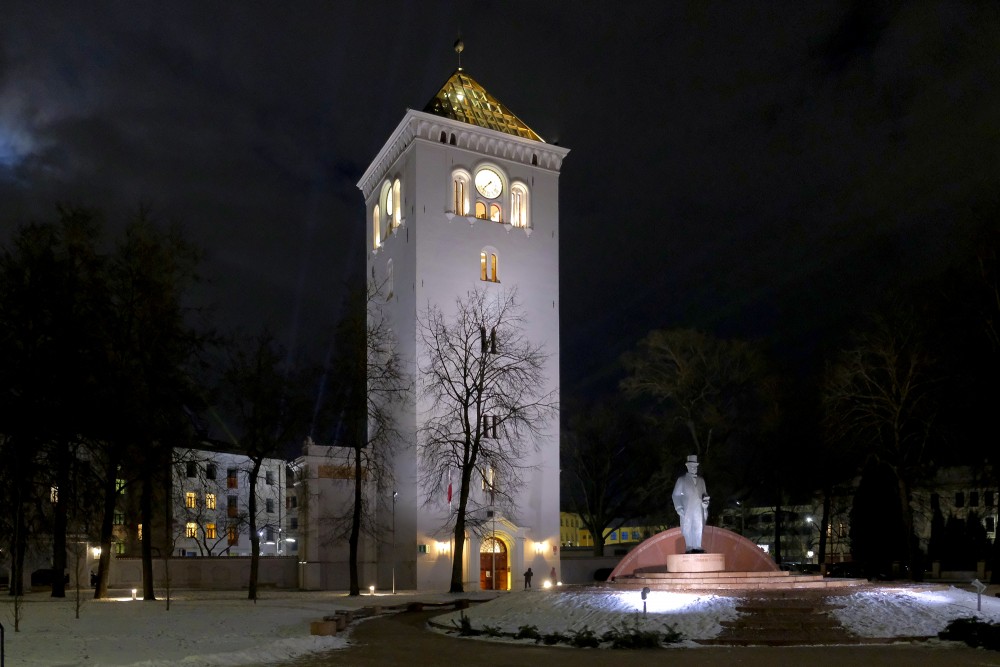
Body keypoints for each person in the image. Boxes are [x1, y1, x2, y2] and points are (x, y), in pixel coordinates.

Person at [672, 454, 710, 553]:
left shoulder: (701, 481)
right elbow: (675, 495)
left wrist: (706, 503)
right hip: (687, 507)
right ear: (687, 467)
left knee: (699, 526)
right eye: (692, 466)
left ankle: (698, 545)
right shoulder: (682, 480)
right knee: (687, 526)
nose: (694, 468)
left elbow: (705, 494)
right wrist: (679, 507)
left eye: (695, 467)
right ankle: (689, 546)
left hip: (699, 508)